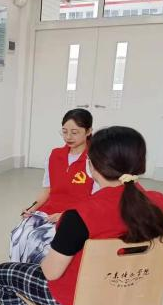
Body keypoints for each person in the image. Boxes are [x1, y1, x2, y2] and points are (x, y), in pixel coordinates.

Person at [0, 126, 163, 305]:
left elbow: (51, 273)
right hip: (134, 295)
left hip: (77, 301)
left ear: (92, 165)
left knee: (3, 273)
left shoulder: (79, 216)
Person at [9, 109, 97, 265]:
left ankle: (40, 276)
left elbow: (95, 200)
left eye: (74, 132)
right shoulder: (55, 155)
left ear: (89, 131)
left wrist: (64, 215)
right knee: (18, 234)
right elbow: (47, 189)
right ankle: (19, 274)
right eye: (64, 131)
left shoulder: (95, 160)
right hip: (48, 212)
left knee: (38, 240)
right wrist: (32, 208)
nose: (68, 137)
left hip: (74, 217)